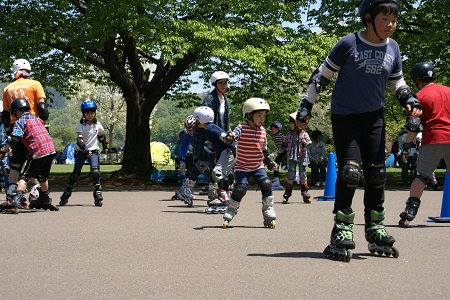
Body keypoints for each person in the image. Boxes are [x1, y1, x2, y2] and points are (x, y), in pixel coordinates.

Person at [296, 0, 421, 261]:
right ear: (368, 18)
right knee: (351, 171)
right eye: (385, 19)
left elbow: (396, 80)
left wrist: (408, 98)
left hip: (374, 116)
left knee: (377, 173)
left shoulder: (393, 47)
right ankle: (341, 228)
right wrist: (306, 106)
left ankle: (374, 226)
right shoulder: (348, 43)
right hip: (346, 117)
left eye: (394, 20)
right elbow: (321, 77)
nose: (391, 25)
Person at [398, 62, 450, 227]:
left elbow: (414, 125)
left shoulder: (419, 96)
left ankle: (410, 211)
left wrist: (406, 147)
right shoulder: (448, 91)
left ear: (417, 79)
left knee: (421, 175)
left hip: (434, 138)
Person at [2, 58, 50, 208]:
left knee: (16, 164)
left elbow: (5, 115)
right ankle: (36, 193)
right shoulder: (35, 84)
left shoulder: (8, 88)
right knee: (36, 162)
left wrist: (8, 132)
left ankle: (11, 194)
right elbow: (42, 108)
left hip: (15, 126)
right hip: (33, 126)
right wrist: (44, 123)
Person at [223, 98, 277, 229]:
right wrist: (231, 137)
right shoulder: (241, 128)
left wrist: (269, 162)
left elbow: (264, 149)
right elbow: (235, 134)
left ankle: (268, 210)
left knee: (266, 184)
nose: (262, 119)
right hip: (242, 166)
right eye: (258, 115)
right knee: (241, 189)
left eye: (263, 115)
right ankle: (231, 209)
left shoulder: (263, 131)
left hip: (258, 165)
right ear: (248, 115)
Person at [0, 98, 58, 213]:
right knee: (42, 177)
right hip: (51, 150)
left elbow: (15, 138)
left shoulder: (20, 122)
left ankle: (16, 200)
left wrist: (4, 149)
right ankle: (44, 198)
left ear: (16, 112)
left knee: (24, 177)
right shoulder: (37, 119)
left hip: (37, 152)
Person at [59, 100, 108, 207]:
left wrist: (105, 145)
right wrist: (85, 151)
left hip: (94, 150)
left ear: (95, 113)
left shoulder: (97, 124)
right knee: (75, 174)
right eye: (87, 113)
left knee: (95, 172)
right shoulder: (81, 125)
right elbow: (79, 140)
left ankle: (97, 193)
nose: (90, 115)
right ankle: (66, 195)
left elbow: (101, 136)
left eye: (92, 113)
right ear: (83, 114)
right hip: (81, 151)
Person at [189, 106, 236, 214]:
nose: (195, 122)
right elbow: (218, 143)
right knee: (222, 174)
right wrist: (217, 156)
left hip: (228, 151)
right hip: (224, 152)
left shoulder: (210, 128)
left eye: (196, 120)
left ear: (201, 119)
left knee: (217, 173)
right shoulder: (208, 128)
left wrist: (229, 137)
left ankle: (223, 197)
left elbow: (224, 136)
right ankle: (226, 195)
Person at [173, 112, 217, 206]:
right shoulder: (187, 134)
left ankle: (213, 191)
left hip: (210, 152)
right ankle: (186, 188)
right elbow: (183, 147)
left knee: (213, 171)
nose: (189, 132)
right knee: (201, 166)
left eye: (191, 130)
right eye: (187, 130)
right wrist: (182, 160)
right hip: (199, 153)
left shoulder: (204, 130)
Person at [202, 71, 232, 197]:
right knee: (216, 163)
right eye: (221, 83)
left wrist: (229, 132)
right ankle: (218, 192)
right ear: (214, 84)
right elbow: (205, 120)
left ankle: (222, 191)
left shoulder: (225, 99)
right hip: (213, 135)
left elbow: (226, 119)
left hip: (224, 135)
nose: (223, 85)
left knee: (224, 163)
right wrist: (211, 139)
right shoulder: (210, 98)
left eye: (225, 83)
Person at [280, 112, 312, 204]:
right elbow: (284, 144)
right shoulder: (289, 134)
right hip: (292, 156)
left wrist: (306, 143)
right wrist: (279, 151)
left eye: (292, 122)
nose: (290, 124)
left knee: (302, 173)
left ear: (297, 124)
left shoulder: (304, 134)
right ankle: (287, 194)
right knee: (291, 174)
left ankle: (305, 193)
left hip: (302, 155)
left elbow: (309, 142)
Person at [267, 121, 285, 190]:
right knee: (276, 165)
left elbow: (285, 144)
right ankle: (276, 179)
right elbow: (267, 131)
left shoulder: (281, 136)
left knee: (281, 165)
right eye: (271, 129)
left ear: (278, 129)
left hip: (284, 152)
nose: (272, 130)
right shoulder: (273, 136)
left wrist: (276, 153)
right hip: (279, 152)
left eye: (273, 129)